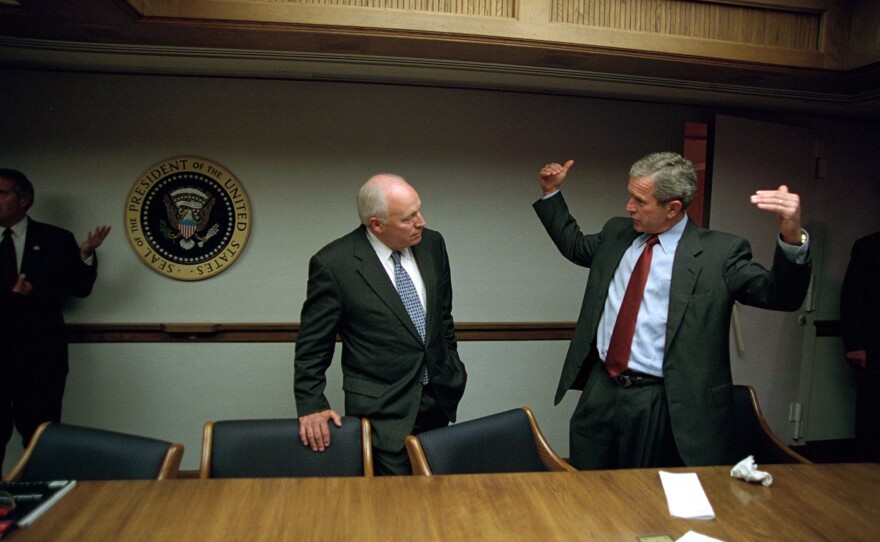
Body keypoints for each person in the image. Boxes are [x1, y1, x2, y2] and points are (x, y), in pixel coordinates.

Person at [533, 152, 811, 469]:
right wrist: (551, 193)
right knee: (584, 484)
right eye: (630, 195)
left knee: (642, 494)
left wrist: (792, 236)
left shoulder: (719, 253)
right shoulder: (618, 234)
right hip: (601, 387)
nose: (629, 207)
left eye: (640, 200)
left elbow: (780, 296)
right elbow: (574, 245)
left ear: (673, 208)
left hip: (658, 397)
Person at [294, 173, 467, 475]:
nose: (421, 222)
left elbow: (442, 317)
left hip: (438, 397)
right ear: (376, 224)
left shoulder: (433, 245)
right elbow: (313, 344)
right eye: (408, 218)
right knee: (395, 507)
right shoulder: (335, 264)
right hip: (383, 410)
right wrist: (311, 404)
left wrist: (452, 365)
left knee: (441, 499)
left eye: (419, 210)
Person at [0, 168, 110, 465]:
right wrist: (11, 298)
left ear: (25, 200)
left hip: (40, 358)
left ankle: (45, 502)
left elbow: (79, 288)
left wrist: (84, 254)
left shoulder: (55, 239)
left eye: (1, 193)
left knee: (41, 438)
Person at [840, 231, 880, 461]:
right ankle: (866, 464)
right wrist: (855, 344)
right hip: (874, 345)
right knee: (872, 410)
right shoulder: (870, 245)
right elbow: (852, 296)